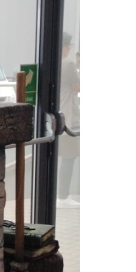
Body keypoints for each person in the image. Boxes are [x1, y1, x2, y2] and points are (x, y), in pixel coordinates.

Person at [56, 32, 80, 208]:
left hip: (56, 115)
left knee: (61, 156)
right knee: (69, 157)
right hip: (69, 118)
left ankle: (60, 196)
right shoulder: (69, 64)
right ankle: (63, 197)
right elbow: (77, 87)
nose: (70, 49)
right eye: (70, 46)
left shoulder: (53, 63)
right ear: (65, 46)